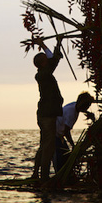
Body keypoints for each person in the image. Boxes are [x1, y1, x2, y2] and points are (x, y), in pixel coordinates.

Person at [31, 36, 65, 183]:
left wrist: (56, 44)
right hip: (46, 116)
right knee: (48, 147)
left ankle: (36, 174)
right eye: (46, 59)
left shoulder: (44, 73)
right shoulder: (43, 74)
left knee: (44, 145)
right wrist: (54, 43)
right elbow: (54, 61)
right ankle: (44, 178)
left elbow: (53, 60)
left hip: (45, 114)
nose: (48, 60)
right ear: (42, 63)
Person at [54, 92, 95, 172]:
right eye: (87, 106)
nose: (87, 108)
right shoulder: (71, 113)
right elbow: (66, 132)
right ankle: (59, 176)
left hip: (58, 134)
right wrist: (73, 145)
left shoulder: (74, 106)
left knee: (65, 155)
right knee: (60, 157)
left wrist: (88, 113)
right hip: (55, 134)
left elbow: (80, 108)